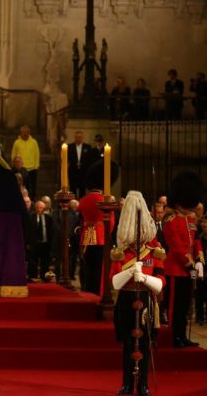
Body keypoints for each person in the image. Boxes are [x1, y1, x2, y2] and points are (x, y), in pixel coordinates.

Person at [109, 191, 165, 396]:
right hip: (126, 298)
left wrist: (146, 279)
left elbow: (160, 283)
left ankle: (143, 384)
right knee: (127, 344)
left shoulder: (154, 250)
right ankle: (126, 384)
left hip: (146, 299)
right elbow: (114, 282)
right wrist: (131, 272)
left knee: (145, 342)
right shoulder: (121, 252)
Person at [163, 171, 204, 348]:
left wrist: (200, 259)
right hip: (176, 269)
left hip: (189, 269)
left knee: (186, 304)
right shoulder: (171, 221)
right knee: (175, 307)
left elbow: (195, 241)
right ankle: (174, 335)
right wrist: (190, 264)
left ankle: (182, 336)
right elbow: (177, 247)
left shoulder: (190, 220)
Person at [78, 160, 118, 296]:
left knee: (87, 269)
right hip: (101, 237)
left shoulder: (84, 199)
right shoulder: (103, 199)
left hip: (86, 238)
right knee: (100, 272)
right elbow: (111, 223)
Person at [28, 200, 55, 282]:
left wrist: (51, 242)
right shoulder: (31, 217)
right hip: (34, 243)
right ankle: (33, 277)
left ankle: (45, 277)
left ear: (44, 208)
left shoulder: (48, 218)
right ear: (35, 208)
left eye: (41, 208)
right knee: (33, 261)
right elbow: (28, 231)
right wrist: (28, 242)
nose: (40, 209)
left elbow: (51, 231)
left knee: (45, 262)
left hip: (45, 243)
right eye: (38, 207)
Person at [10, 125, 40, 197]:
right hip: (20, 169)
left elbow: (37, 154)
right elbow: (13, 154)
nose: (25, 134)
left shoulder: (34, 142)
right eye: (23, 132)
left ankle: (31, 201)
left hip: (32, 169)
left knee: (32, 188)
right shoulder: (17, 142)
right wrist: (15, 165)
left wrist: (36, 166)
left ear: (29, 132)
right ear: (21, 133)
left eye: (27, 132)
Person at [67, 131, 95, 198]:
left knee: (82, 190)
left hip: (83, 172)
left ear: (82, 138)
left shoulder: (88, 147)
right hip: (73, 172)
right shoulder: (70, 147)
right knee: (72, 190)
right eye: (77, 137)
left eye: (80, 137)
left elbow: (90, 160)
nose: (78, 139)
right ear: (74, 138)